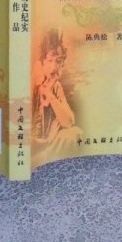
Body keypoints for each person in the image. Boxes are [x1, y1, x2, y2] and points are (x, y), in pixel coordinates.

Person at [32, 29, 81, 165]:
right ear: (42, 62)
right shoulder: (34, 83)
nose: (54, 67)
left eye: (58, 61)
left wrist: (49, 93)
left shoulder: (55, 85)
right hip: (31, 148)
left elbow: (69, 122)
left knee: (73, 134)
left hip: (47, 146)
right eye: (49, 60)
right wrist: (46, 141)